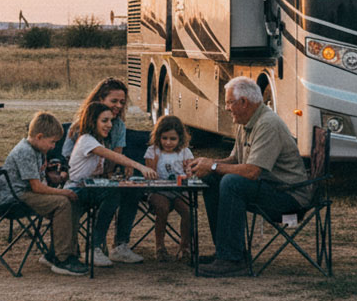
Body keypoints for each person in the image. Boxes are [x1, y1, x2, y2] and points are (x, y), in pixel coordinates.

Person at [185, 77, 312, 278]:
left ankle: (232, 260)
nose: (226, 108)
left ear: (244, 102)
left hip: (289, 197)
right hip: (270, 188)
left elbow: (252, 172)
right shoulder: (246, 121)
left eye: (229, 102)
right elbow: (235, 159)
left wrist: (214, 166)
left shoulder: (267, 124)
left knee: (231, 182)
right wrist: (207, 163)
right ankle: (225, 252)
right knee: (212, 178)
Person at [0, 111, 89, 276]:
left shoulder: (37, 149)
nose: (54, 146)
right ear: (39, 137)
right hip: (15, 195)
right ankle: (62, 258)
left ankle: (58, 252)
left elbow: (38, 180)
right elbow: (36, 188)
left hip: (27, 191)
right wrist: (64, 192)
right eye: (52, 142)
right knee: (63, 202)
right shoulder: (25, 151)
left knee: (72, 201)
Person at [65, 101, 158, 266]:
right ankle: (94, 248)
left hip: (90, 188)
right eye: (104, 121)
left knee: (131, 191)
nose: (109, 125)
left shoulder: (99, 140)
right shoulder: (87, 140)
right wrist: (138, 166)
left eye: (110, 121)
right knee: (113, 193)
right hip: (76, 189)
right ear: (92, 121)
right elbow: (114, 156)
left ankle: (120, 245)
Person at [144, 115, 194, 262]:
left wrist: (189, 172)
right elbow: (150, 174)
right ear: (158, 136)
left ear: (180, 139)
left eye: (173, 139)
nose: (168, 142)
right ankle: (160, 247)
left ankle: (185, 246)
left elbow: (189, 173)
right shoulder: (153, 151)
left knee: (188, 211)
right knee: (162, 208)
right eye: (164, 138)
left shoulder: (185, 152)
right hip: (159, 190)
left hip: (179, 191)